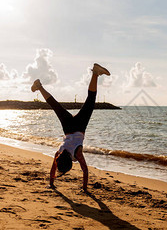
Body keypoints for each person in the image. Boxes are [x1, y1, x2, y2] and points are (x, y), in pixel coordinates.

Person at [31, 63, 110, 192]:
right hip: (67, 127)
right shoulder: (59, 152)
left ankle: (95, 73)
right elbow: (53, 168)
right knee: (55, 105)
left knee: (90, 100)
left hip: (79, 126)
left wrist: (84, 189)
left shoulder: (77, 154)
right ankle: (39, 86)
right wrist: (51, 183)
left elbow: (85, 171)